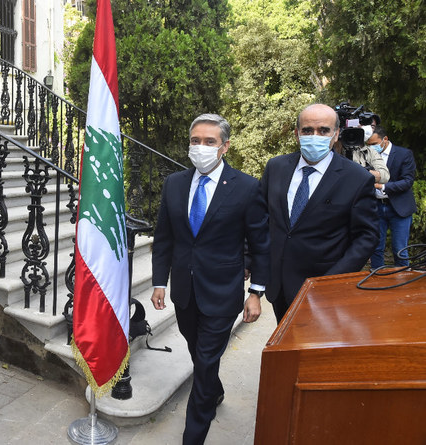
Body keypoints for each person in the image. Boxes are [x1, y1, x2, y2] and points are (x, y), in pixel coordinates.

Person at [151, 113, 270, 444]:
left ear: (225, 146)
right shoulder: (174, 184)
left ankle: (195, 432)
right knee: (198, 350)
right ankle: (214, 390)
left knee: (204, 362)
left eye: (209, 142)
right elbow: (164, 239)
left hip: (222, 291)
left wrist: (256, 292)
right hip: (185, 292)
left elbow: (261, 244)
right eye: (195, 141)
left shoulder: (246, 187)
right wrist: (160, 282)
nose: (200, 147)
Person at [260, 103, 379, 323]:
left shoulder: (357, 178)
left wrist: (330, 281)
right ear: (297, 134)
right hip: (279, 285)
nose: (315, 136)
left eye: (323, 130)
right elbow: (261, 218)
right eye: (307, 130)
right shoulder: (276, 167)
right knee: (286, 353)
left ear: (335, 135)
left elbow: (367, 236)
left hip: (325, 289)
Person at [367, 126, 417, 269]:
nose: (370, 147)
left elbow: (407, 181)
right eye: (368, 145)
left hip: (399, 208)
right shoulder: (367, 155)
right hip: (376, 207)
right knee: (376, 247)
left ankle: (402, 282)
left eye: (373, 144)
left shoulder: (404, 154)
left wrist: (382, 186)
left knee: (399, 249)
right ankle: (376, 279)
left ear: (385, 139)